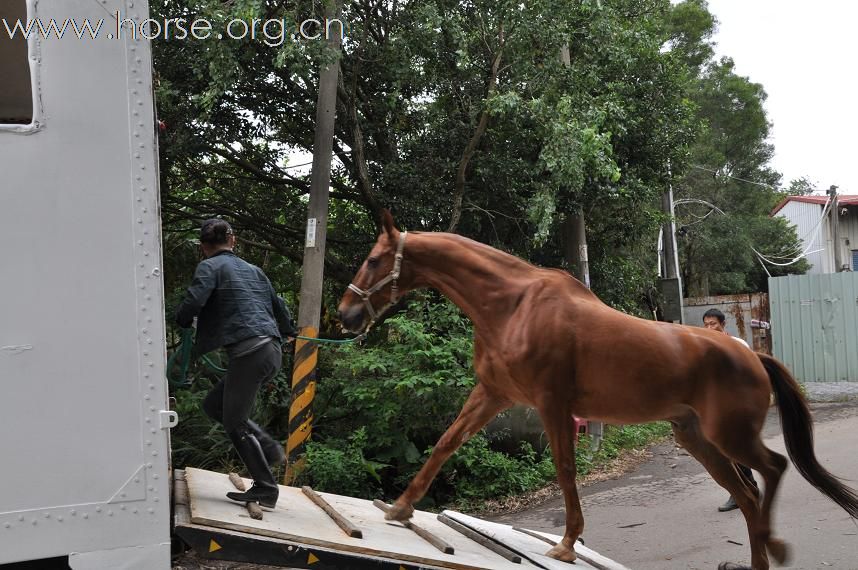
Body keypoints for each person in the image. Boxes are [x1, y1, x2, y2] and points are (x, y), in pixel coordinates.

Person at [176, 219, 298, 509]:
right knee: (214, 406)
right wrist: (289, 331)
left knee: (234, 421)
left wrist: (182, 320)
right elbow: (278, 306)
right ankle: (267, 448)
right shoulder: (255, 270)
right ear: (233, 240)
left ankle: (266, 488)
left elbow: (193, 304)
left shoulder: (209, 266)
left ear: (204, 246)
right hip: (269, 350)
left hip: (249, 352)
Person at [702, 308, 758, 512]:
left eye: (713, 324)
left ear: (723, 325)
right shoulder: (704, 347)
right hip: (716, 407)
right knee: (727, 451)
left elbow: (750, 373)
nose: (709, 328)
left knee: (732, 450)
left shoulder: (737, 345)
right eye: (706, 324)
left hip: (737, 405)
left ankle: (741, 492)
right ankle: (747, 488)